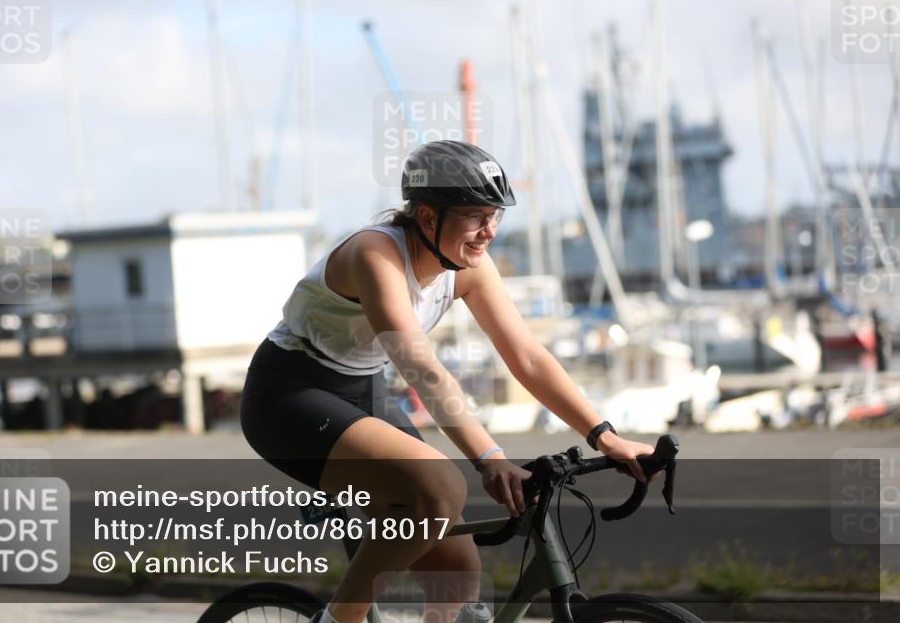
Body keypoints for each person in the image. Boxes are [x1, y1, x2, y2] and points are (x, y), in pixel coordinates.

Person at [240, 140, 654, 623]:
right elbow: (421, 367)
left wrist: (605, 437)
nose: (489, 232)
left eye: (496, 216)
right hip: (289, 396)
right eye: (476, 216)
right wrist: (490, 459)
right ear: (428, 217)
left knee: (457, 571)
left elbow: (527, 357)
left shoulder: (468, 268)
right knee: (441, 487)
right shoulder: (375, 255)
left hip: (363, 392)